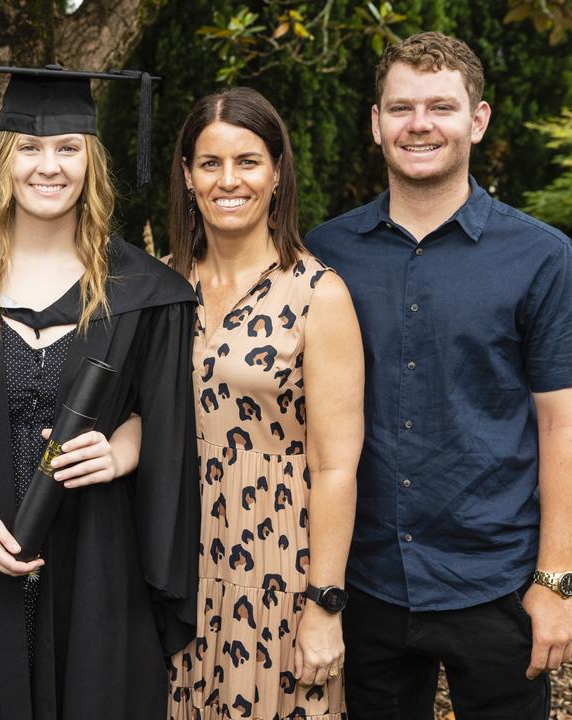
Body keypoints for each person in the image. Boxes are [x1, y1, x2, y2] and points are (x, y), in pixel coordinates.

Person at [304, 32, 572, 719]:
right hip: (364, 579)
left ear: (478, 119)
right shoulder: (324, 253)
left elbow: (568, 426)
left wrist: (556, 582)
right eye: (401, 107)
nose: (419, 124)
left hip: (497, 581)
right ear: (375, 122)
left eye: (440, 107)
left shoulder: (540, 257)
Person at [0, 63, 199, 720]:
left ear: (91, 161)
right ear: (3, 157)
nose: (48, 166)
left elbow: (160, 415)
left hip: (96, 561)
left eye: (67, 148)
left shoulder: (145, 289)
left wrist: (122, 451)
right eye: (29, 148)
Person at [163, 87, 363, 720]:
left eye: (248, 161)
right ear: (189, 177)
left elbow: (336, 466)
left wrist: (323, 606)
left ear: (277, 173)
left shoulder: (318, 296)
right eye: (210, 163)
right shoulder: (163, 285)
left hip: (275, 564)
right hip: (176, 561)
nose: (229, 180)